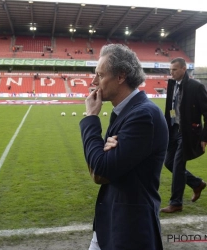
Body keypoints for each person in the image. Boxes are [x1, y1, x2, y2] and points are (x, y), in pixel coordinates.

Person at [79, 44, 168, 250]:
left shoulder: (143, 115)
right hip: (111, 223)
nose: (93, 82)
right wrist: (103, 156)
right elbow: (99, 171)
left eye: (100, 75)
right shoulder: (124, 111)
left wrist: (91, 117)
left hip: (130, 231)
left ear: (121, 76)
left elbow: (100, 169)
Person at [160, 57, 207, 213]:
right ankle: (197, 183)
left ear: (184, 69)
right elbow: (171, 108)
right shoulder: (172, 84)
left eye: (174, 69)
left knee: (179, 165)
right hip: (173, 130)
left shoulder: (196, 87)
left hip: (188, 133)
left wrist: (204, 137)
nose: (171, 73)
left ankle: (176, 203)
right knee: (168, 162)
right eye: (170, 70)